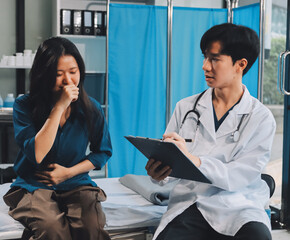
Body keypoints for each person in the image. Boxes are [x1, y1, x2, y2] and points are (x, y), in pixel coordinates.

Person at [145, 23, 276, 240]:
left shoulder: (261, 118)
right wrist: (159, 175)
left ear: (240, 64)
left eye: (215, 59)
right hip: (192, 200)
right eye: (205, 57)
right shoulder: (186, 107)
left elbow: (240, 176)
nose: (205, 66)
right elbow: (170, 164)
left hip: (238, 203)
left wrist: (196, 161)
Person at [3, 37, 112, 240]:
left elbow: (103, 152)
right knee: (52, 228)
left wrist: (68, 173)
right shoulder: (23, 106)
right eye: (58, 74)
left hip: (76, 183)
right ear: (43, 75)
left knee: (92, 227)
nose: (68, 81)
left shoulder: (92, 108)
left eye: (73, 72)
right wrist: (59, 107)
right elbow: (37, 154)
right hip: (33, 185)